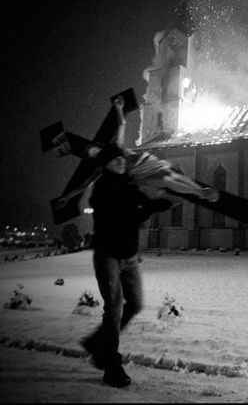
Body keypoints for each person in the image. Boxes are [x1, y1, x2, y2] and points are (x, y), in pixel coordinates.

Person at [80, 142, 173, 388]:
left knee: (136, 304)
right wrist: (150, 207)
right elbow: (123, 217)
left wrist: (159, 201)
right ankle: (111, 365)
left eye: (122, 158)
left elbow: (142, 202)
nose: (121, 161)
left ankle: (97, 345)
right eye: (115, 159)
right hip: (108, 256)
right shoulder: (101, 189)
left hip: (129, 257)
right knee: (113, 309)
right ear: (106, 164)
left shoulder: (128, 185)